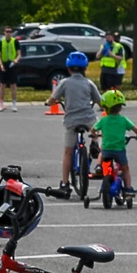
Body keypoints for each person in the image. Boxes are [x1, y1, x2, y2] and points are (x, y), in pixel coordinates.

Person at [46, 51, 102, 193]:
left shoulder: (64, 83)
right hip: (88, 119)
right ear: (85, 68)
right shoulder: (89, 83)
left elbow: (53, 99)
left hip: (71, 121)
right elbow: (99, 101)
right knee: (96, 129)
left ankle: (65, 183)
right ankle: (95, 143)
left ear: (68, 68)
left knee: (68, 152)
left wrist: (48, 102)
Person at [92, 89, 137, 196]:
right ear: (120, 107)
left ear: (105, 107)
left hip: (107, 150)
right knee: (125, 168)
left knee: (102, 152)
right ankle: (128, 188)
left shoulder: (104, 120)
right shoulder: (124, 120)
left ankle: (98, 166)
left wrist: (94, 135)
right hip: (119, 150)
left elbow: (93, 129)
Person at [0, 26, 19, 111]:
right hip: (4, 63)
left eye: (10, 31)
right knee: (2, 85)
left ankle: (14, 104)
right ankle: (1, 104)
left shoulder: (15, 41)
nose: (8, 33)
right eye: (7, 31)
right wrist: (1, 65)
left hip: (12, 64)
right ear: (4, 32)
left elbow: (19, 54)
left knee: (13, 85)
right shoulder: (1, 42)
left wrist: (16, 60)